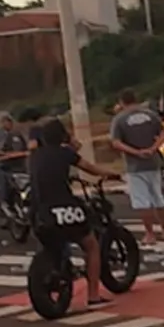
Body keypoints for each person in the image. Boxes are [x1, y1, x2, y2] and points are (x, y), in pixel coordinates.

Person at [27, 116, 119, 311]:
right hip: (64, 208)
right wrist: (109, 173)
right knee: (91, 245)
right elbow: (89, 168)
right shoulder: (65, 153)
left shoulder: (34, 156)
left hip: (40, 212)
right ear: (62, 136)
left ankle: (60, 272)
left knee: (52, 243)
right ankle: (93, 295)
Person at [109, 89, 164, 244]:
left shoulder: (120, 119)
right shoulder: (150, 115)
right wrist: (153, 148)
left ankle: (150, 234)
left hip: (135, 166)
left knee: (142, 201)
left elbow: (116, 143)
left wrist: (136, 152)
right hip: (154, 162)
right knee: (158, 197)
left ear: (121, 102)